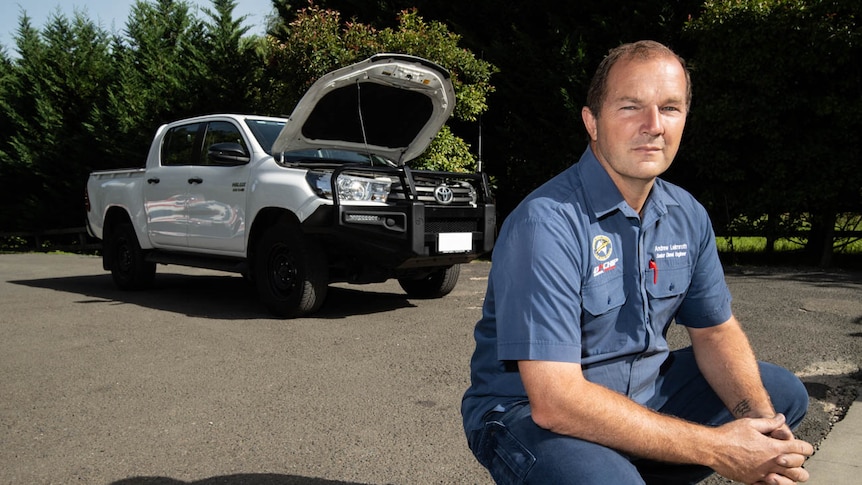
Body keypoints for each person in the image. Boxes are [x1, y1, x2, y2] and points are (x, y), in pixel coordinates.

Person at [461, 40, 813, 485]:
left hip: (642, 393)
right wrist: (721, 449)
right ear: (592, 121)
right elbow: (555, 401)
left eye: (670, 108)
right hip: (526, 413)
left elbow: (716, 332)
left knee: (780, 395)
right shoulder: (545, 224)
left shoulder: (687, 215)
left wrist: (764, 433)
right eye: (631, 107)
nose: (653, 126)